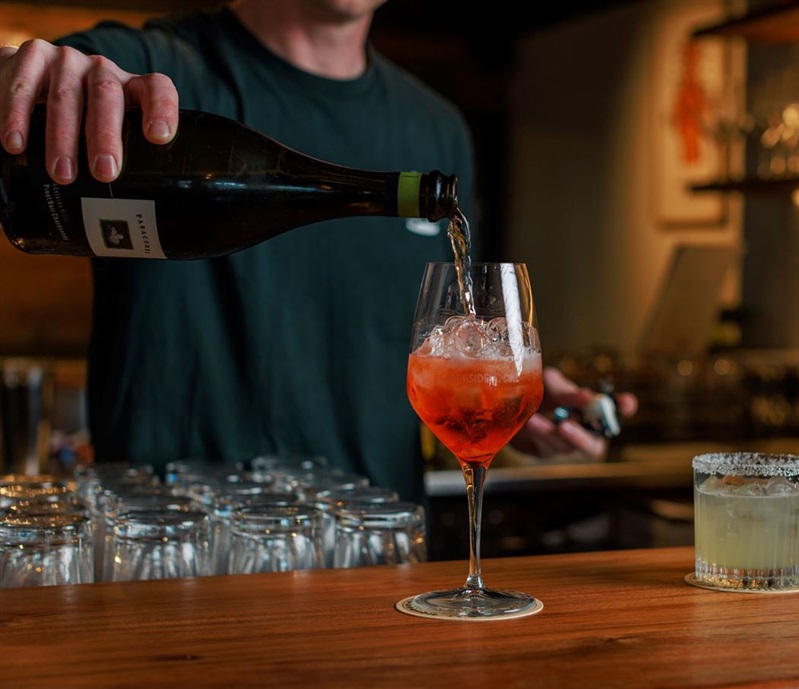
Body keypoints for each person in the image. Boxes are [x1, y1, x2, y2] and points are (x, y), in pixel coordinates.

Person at [0, 0, 635, 504]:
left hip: (376, 573)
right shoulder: (150, 73)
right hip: (173, 568)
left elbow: (442, 347)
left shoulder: (434, 127)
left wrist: (505, 400)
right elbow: (31, 87)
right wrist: (14, 76)